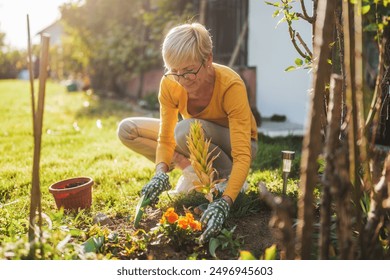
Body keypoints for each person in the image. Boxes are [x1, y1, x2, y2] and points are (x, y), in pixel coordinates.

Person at [117, 22, 258, 243]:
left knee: (185, 129)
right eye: (175, 72)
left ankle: (226, 182)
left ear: (208, 59)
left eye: (189, 71)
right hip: (195, 137)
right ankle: (190, 169)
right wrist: (160, 172)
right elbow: (165, 137)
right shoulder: (170, 83)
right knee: (127, 129)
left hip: (236, 147)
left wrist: (225, 202)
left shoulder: (231, 85)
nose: (182, 80)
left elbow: (242, 154)